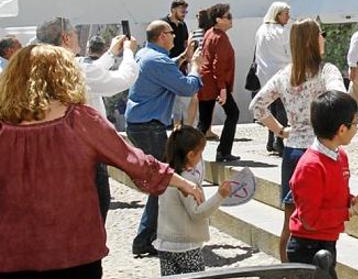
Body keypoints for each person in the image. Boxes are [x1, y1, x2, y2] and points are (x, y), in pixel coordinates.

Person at [0, 44, 203, 278]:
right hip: (74, 250)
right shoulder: (80, 120)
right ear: (65, 74)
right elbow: (134, 161)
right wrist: (181, 181)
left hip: (11, 251)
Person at [249, 18, 345, 261]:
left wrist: (281, 130)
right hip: (320, 152)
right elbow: (340, 97)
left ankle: (287, 272)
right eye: (321, 34)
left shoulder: (285, 74)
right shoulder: (327, 71)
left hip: (293, 153)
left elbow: (257, 106)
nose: (324, 37)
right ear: (314, 40)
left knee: (290, 224)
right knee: (322, 219)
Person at [37, 18, 140, 223]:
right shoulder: (74, 69)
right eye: (75, 34)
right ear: (66, 38)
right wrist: (129, 51)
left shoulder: (43, 66)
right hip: (84, 152)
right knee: (93, 211)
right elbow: (122, 79)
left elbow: (93, 73)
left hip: (53, 150)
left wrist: (111, 53)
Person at [125, 20, 204, 257]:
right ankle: (145, 238)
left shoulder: (145, 55)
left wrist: (182, 56)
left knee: (161, 180)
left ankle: (150, 235)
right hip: (150, 127)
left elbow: (165, 69)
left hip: (140, 124)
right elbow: (187, 87)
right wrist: (195, 66)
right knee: (163, 181)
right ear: (162, 36)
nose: (174, 36)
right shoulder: (156, 60)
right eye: (171, 33)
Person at [286, 90, 358, 278]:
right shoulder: (311, 167)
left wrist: (354, 201)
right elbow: (310, 220)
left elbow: (335, 196)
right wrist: (352, 212)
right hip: (307, 247)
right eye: (356, 123)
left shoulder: (340, 156)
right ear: (341, 129)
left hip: (327, 241)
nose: (357, 128)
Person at [155, 126, 235, 276]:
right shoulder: (187, 180)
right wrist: (220, 196)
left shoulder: (167, 176)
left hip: (165, 243)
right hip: (186, 245)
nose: (201, 159)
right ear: (191, 155)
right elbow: (197, 213)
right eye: (200, 154)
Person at [198, 3, 240, 163]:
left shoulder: (210, 33)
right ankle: (223, 151)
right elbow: (218, 65)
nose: (231, 19)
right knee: (233, 113)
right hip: (215, 84)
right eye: (228, 16)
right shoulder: (220, 37)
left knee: (204, 122)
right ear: (218, 19)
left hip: (207, 82)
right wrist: (222, 89)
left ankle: (187, 154)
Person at [255, 1, 292, 154]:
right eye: (286, 14)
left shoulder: (261, 30)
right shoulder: (282, 31)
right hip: (281, 73)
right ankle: (279, 140)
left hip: (264, 74)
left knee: (270, 108)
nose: (288, 17)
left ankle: (271, 140)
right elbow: (289, 52)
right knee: (282, 108)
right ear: (278, 15)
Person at [163, 0, 195, 130]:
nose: (184, 13)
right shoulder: (163, 24)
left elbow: (185, 44)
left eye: (185, 11)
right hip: (165, 65)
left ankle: (178, 126)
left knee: (178, 98)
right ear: (173, 10)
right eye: (182, 11)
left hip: (180, 65)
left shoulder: (182, 25)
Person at [187, 9, 214, 132]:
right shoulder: (212, 33)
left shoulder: (193, 33)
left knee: (195, 98)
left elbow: (190, 51)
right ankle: (207, 129)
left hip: (196, 68)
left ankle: (189, 125)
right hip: (208, 69)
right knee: (209, 100)